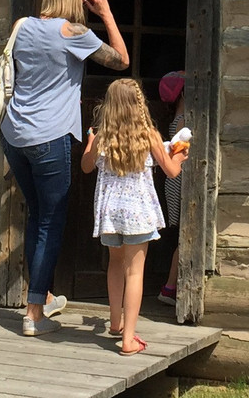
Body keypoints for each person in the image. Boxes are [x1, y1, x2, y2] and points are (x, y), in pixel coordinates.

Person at [0, 0, 129, 337]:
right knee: (50, 222)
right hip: (50, 136)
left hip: (14, 133)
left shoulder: (22, 25)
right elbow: (122, 60)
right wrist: (105, 13)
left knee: (36, 215)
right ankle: (34, 312)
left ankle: (45, 295)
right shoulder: (76, 33)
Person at [80, 79, 188, 356]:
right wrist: (181, 155)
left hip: (110, 214)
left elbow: (86, 167)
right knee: (134, 271)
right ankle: (128, 339)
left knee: (115, 265)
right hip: (138, 213)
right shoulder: (149, 134)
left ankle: (115, 323)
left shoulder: (104, 135)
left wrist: (90, 143)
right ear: (140, 104)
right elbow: (172, 171)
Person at [157, 71, 185, 306]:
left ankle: (171, 287)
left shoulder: (178, 116)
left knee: (180, 235)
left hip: (174, 180)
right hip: (179, 180)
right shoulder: (185, 118)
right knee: (184, 236)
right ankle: (169, 288)